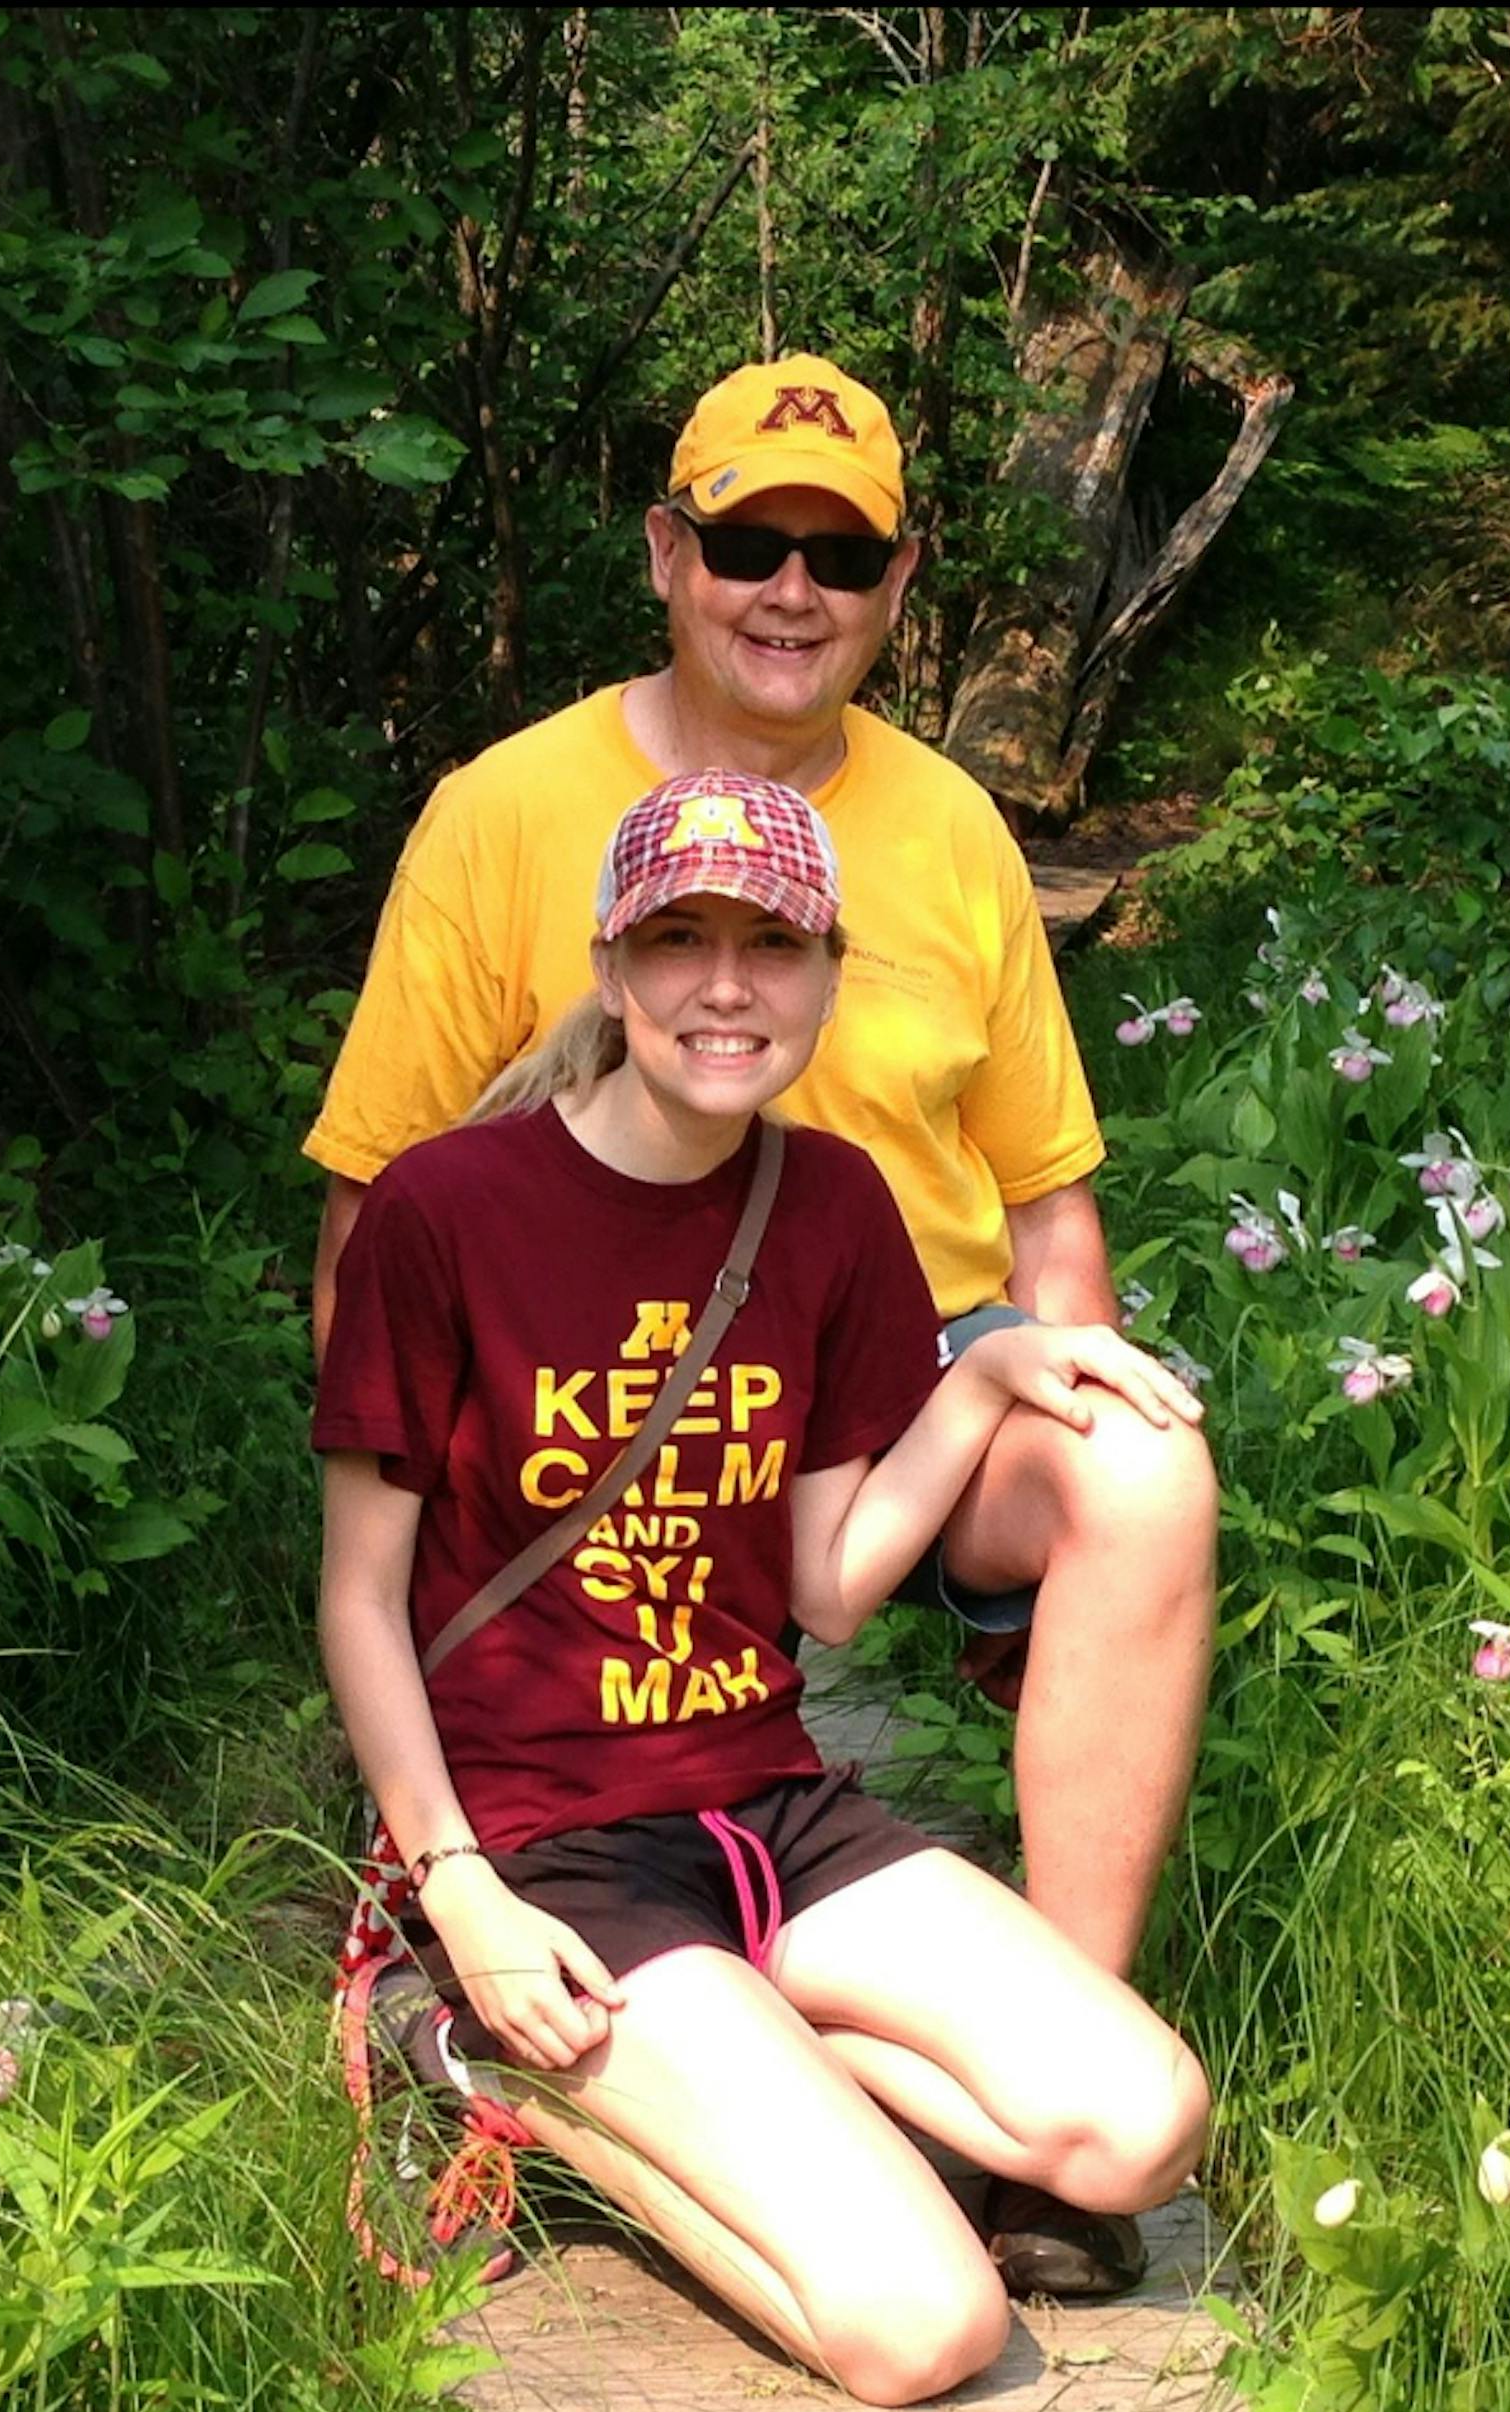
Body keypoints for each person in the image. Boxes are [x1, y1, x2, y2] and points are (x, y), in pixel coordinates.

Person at [306, 353, 1218, 2296]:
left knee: (1139, 1459)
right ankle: (542, 2051)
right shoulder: (501, 830)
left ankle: (1018, 2068)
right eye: (748, 541)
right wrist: (417, 1528)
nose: (791, 583)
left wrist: (1028, 1392)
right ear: (670, 553)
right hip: (567, 1453)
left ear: (898, 577)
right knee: (910, 2310)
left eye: (840, 549)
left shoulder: (942, 859)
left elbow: (1047, 1196)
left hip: (885, 1383)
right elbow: (375, 1230)